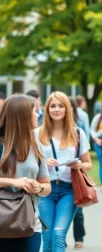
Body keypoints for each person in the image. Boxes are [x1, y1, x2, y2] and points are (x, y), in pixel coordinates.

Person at [36, 91, 92, 252]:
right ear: (47, 110)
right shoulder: (37, 134)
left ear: (68, 109)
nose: (57, 109)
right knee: (46, 240)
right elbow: (29, 163)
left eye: (61, 106)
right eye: (53, 106)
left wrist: (79, 165)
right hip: (44, 190)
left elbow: (88, 164)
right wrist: (44, 163)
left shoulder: (77, 133)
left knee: (59, 234)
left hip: (68, 191)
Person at [0, 94, 51, 252]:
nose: (38, 114)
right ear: (21, 115)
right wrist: (13, 182)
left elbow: (47, 187)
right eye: (34, 111)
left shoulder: (36, 145)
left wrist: (39, 188)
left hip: (29, 224)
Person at [68, 97, 87, 250]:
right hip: (57, 176)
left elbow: (84, 152)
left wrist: (80, 165)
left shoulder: (78, 127)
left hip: (76, 173)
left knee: (78, 211)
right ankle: (62, 237)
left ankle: (79, 237)